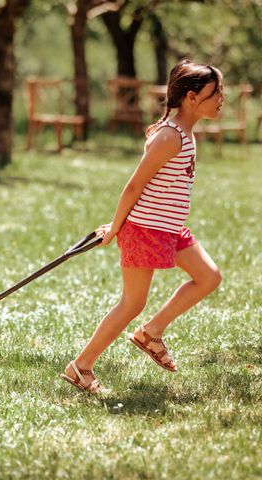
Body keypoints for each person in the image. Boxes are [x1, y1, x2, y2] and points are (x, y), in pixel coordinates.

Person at [60, 60, 224, 393]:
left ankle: (150, 333)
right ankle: (81, 367)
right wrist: (115, 228)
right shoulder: (169, 136)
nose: (222, 97)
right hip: (146, 228)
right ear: (192, 98)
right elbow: (134, 186)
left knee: (209, 277)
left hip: (168, 227)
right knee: (132, 302)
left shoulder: (184, 132)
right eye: (215, 92)